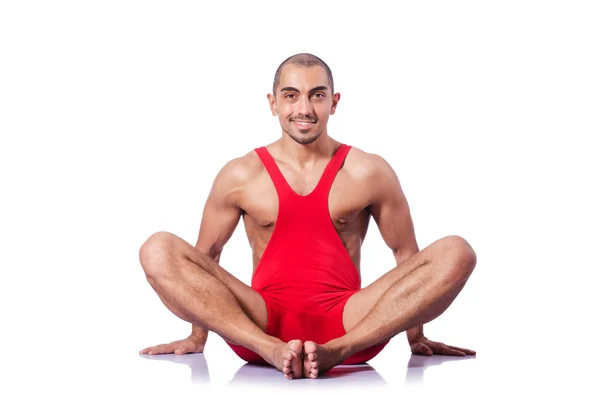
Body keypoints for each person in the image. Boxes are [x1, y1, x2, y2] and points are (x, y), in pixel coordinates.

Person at [138, 53, 477, 379]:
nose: (304, 109)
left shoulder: (369, 171)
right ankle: (271, 349)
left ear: (334, 102)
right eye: (291, 95)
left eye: (317, 95)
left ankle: (337, 351)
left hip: (353, 324)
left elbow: (406, 257)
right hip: (258, 323)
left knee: (457, 252)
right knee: (156, 248)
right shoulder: (240, 175)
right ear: (273, 103)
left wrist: (415, 337)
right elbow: (205, 260)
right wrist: (198, 337)